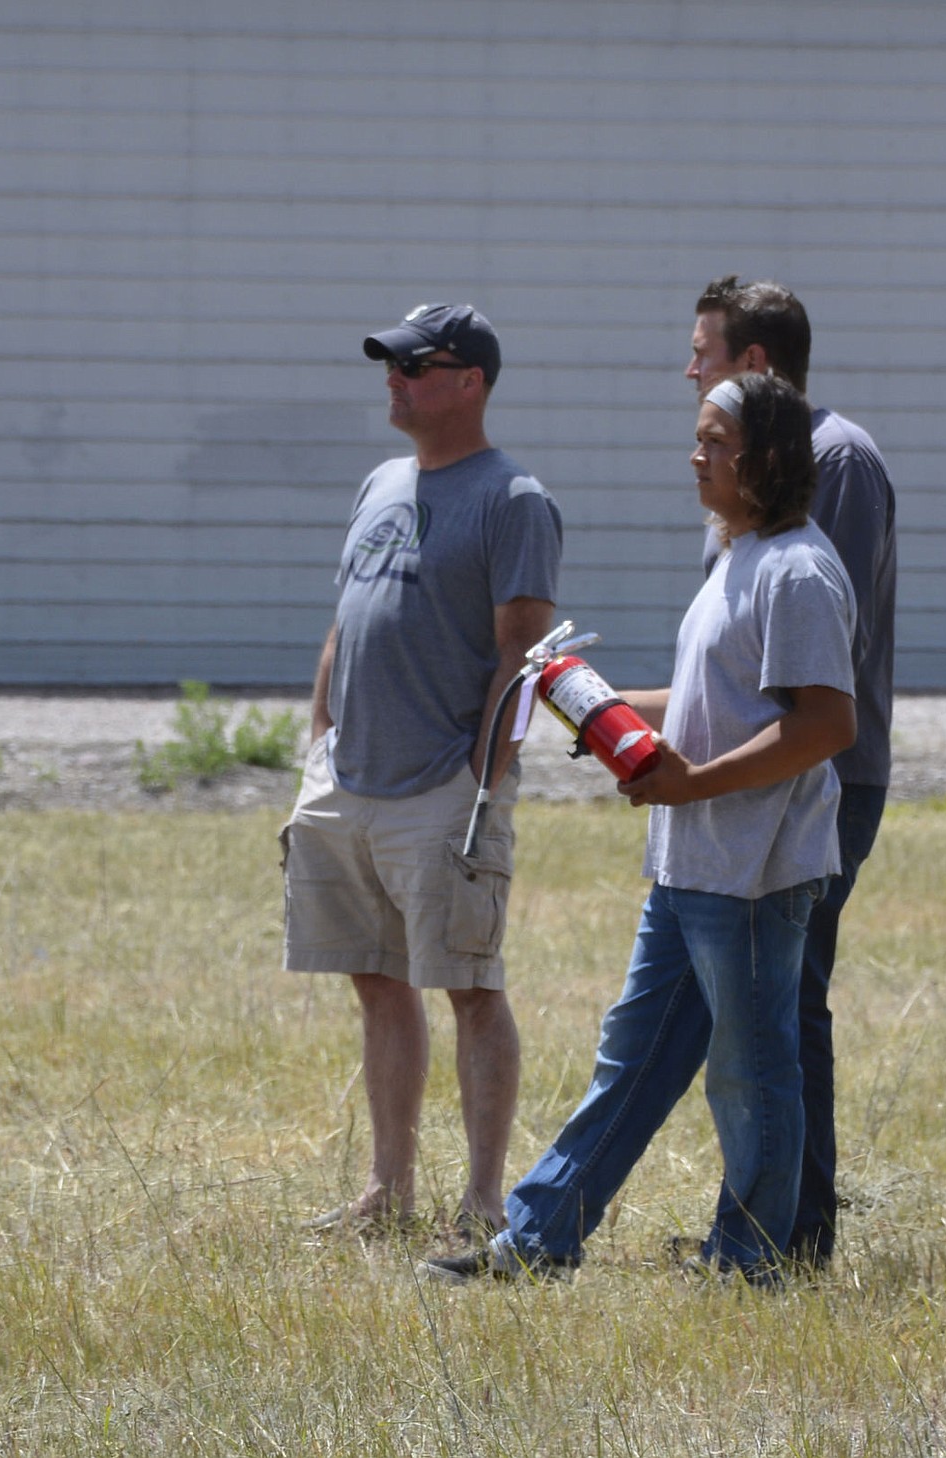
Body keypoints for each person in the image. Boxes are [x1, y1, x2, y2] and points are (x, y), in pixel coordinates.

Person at [420, 371, 856, 1285]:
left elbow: (824, 725)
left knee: (750, 1074)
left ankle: (753, 1263)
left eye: (716, 441)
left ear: (769, 457)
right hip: (692, 867)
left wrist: (692, 785)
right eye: (699, 438)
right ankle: (537, 1243)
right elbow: (713, 701)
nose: (696, 456)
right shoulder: (736, 553)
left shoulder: (798, 570)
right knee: (633, 1062)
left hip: (752, 876)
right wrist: (587, 698)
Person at [282, 302, 563, 1237]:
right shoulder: (380, 483)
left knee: (472, 989)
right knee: (375, 978)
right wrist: (319, 738)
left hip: (444, 787)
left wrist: (482, 786)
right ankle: (387, 1192)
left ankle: (484, 1204)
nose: (393, 380)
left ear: (471, 382)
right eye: (390, 365)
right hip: (347, 780)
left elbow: (519, 658)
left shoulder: (512, 500)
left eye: (416, 365)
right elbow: (345, 620)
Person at [686, 275, 897, 1266]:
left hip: (824, 775)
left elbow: (816, 669)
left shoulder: (830, 463)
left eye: (705, 353)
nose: (691, 371)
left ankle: (792, 1234)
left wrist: (711, 766)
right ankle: (766, 1219)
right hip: (752, 769)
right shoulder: (740, 476)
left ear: (756, 365)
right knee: (755, 999)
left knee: (785, 996)